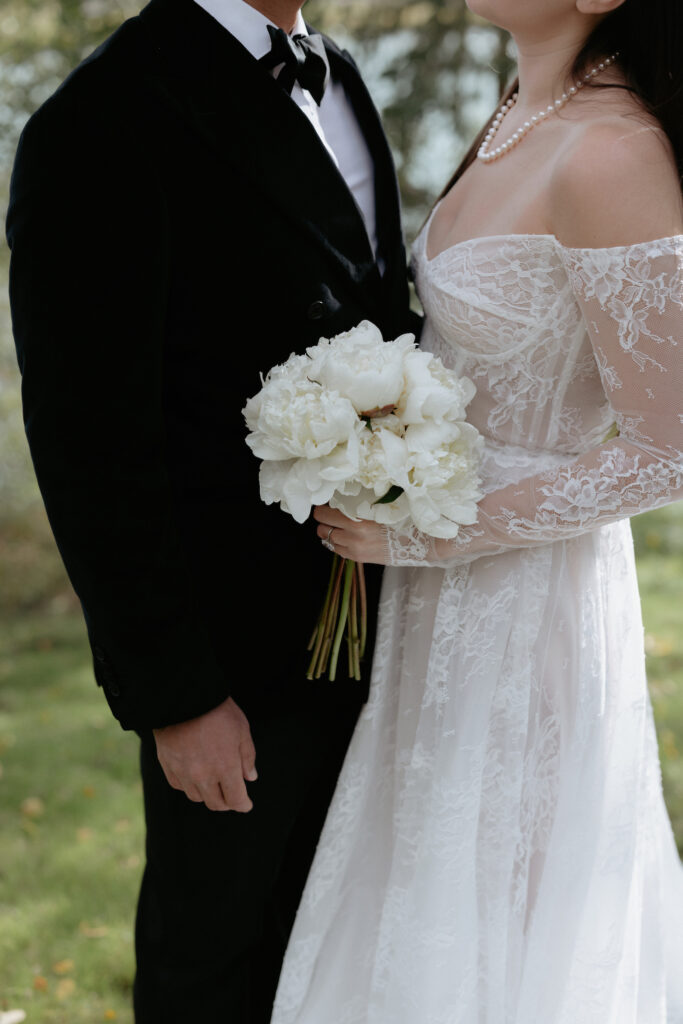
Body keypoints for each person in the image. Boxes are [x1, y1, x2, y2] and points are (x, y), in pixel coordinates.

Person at [5, 0, 418, 1019]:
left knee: (338, 955)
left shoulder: (342, 77)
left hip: (383, 622)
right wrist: (174, 692)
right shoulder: (100, 118)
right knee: (218, 963)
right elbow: (89, 438)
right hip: (234, 663)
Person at [273, 1, 683, 1021]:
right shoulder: (518, 112)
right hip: (436, 602)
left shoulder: (609, 151)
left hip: (527, 597)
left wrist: (440, 527)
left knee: (510, 902)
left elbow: (668, 447)